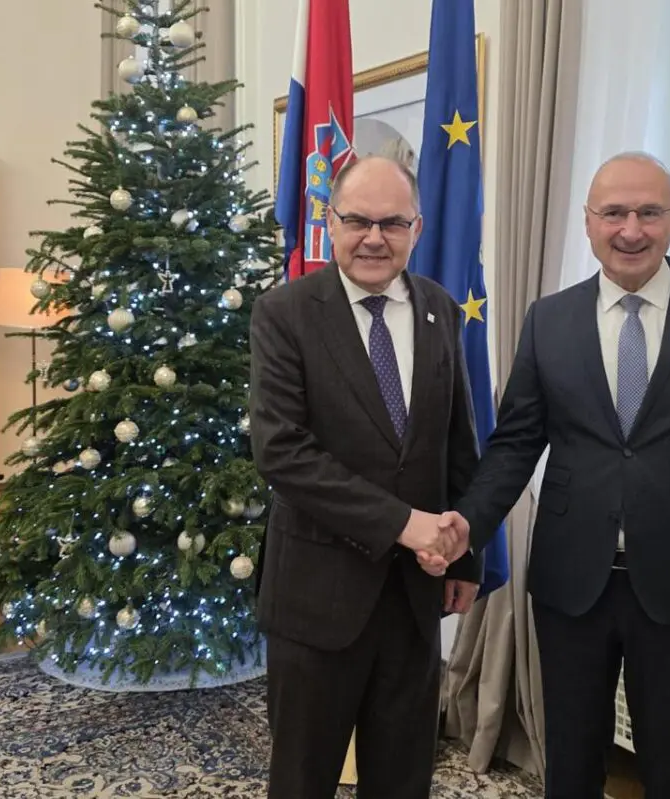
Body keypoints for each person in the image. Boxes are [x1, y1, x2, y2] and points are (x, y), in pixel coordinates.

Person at [439, 151, 670, 798]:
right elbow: (514, 446)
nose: (631, 229)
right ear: (589, 221)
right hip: (570, 584)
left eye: (649, 212)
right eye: (615, 213)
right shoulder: (548, 319)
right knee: (569, 761)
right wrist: (463, 532)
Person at [248, 154, 482, 799]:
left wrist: (467, 557)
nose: (374, 238)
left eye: (393, 223)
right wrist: (404, 524)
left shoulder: (439, 309)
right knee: (303, 779)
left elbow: (457, 442)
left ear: (417, 228)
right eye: (358, 221)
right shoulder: (285, 312)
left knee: (404, 777)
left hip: (414, 599)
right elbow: (283, 452)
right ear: (329, 222)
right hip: (316, 596)